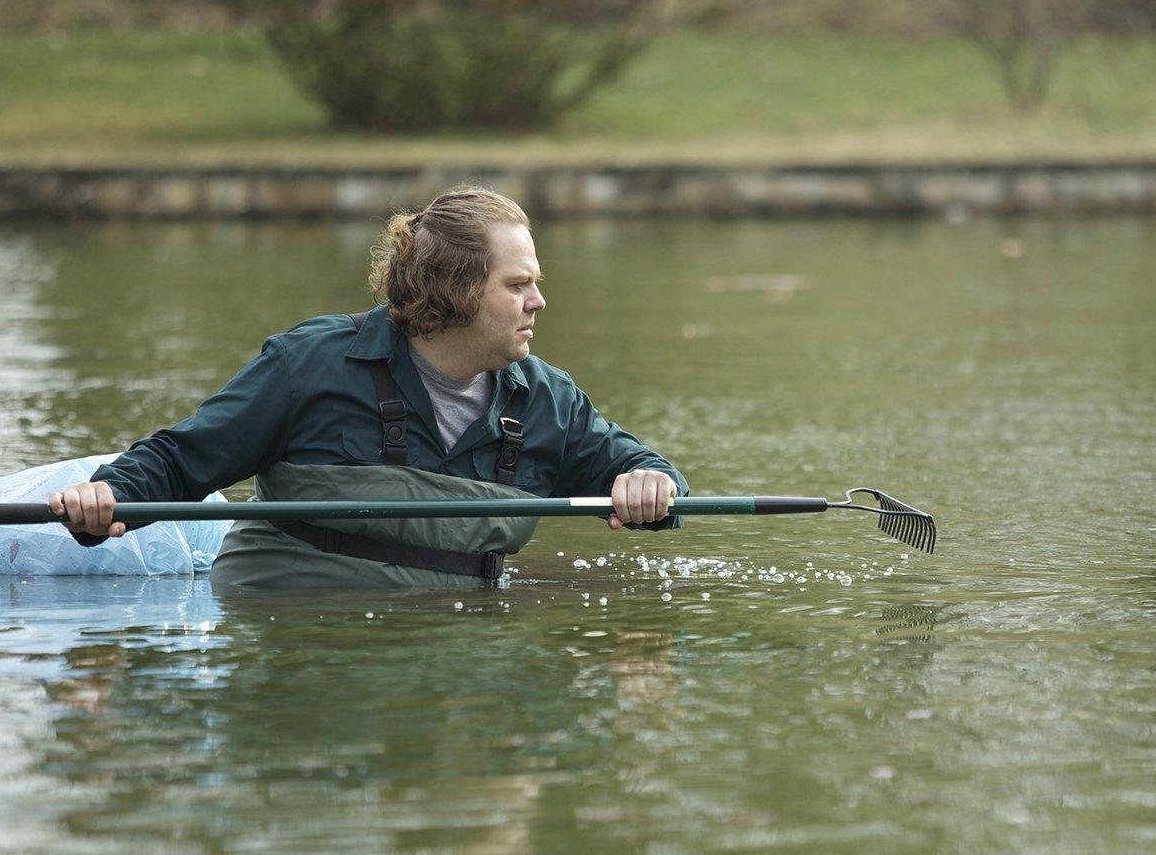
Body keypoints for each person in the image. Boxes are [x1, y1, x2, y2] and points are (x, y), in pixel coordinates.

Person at [50, 186, 684, 588]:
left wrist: (654, 484)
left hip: (458, 658)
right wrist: (108, 496)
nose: (539, 302)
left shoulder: (549, 398)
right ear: (456, 290)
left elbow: (644, 470)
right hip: (303, 631)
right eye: (517, 285)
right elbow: (181, 461)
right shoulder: (309, 363)